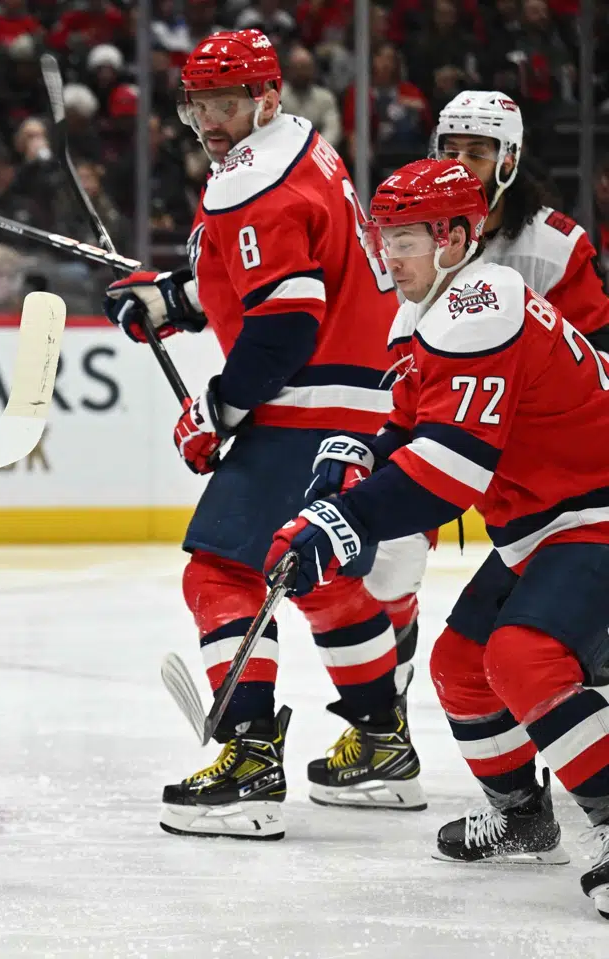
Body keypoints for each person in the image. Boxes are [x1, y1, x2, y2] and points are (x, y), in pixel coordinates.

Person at [265, 157, 609, 921]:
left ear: (459, 235)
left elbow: (452, 468)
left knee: (523, 656)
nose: (391, 254)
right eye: (384, 237)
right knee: (461, 668)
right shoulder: (429, 308)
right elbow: (413, 429)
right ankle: (525, 817)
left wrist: (342, 520)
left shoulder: (484, 298)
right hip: (548, 523)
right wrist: (356, 457)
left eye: (408, 238)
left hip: (595, 513)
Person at [101, 29, 415, 840]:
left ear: (267, 98)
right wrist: (173, 300)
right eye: (199, 103)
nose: (209, 118)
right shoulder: (302, 154)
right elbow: (263, 278)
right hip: (358, 399)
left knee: (219, 575)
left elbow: (282, 324)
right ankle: (384, 743)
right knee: (310, 573)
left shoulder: (258, 180)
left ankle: (248, 757)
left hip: (305, 402)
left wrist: (220, 406)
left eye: (226, 102)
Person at [432, 91, 609, 348]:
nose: (459, 168)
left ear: (508, 160)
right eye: (450, 153)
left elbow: (599, 355)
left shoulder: (558, 247)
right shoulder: (413, 239)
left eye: (476, 154)